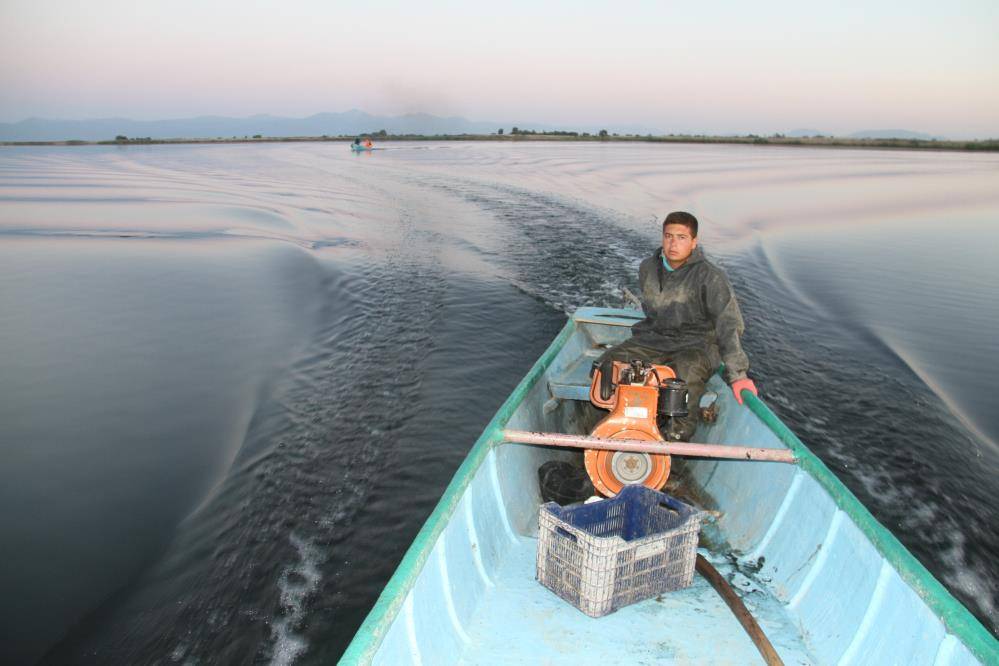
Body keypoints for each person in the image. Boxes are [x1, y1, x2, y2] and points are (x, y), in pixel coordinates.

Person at [598, 211, 757, 440]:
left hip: (697, 345)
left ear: (694, 242)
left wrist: (738, 375)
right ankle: (611, 427)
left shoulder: (711, 277)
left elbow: (728, 323)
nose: (673, 244)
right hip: (653, 340)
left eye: (681, 237)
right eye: (668, 236)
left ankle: (676, 439)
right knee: (608, 365)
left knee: (684, 372)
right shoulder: (647, 268)